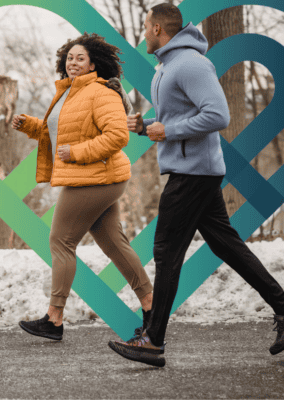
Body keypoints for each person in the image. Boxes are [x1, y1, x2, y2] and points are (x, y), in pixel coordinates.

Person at [108, 3, 284, 368]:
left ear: (158, 28)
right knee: (227, 245)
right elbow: (183, 114)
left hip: (194, 172)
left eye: (145, 26)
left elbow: (218, 114)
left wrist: (169, 130)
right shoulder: (169, 65)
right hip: (191, 168)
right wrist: (149, 125)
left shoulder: (190, 63)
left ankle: (153, 341)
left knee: (166, 251)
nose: (142, 33)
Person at [11, 32, 154, 341]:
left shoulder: (101, 92)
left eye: (80, 59)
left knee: (61, 241)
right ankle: (151, 306)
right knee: (113, 243)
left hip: (94, 177)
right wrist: (29, 125)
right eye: (69, 57)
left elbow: (118, 136)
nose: (73, 63)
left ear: (94, 65)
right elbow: (60, 134)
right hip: (95, 177)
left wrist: (77, 153)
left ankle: (54, 318)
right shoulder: (68, 93)